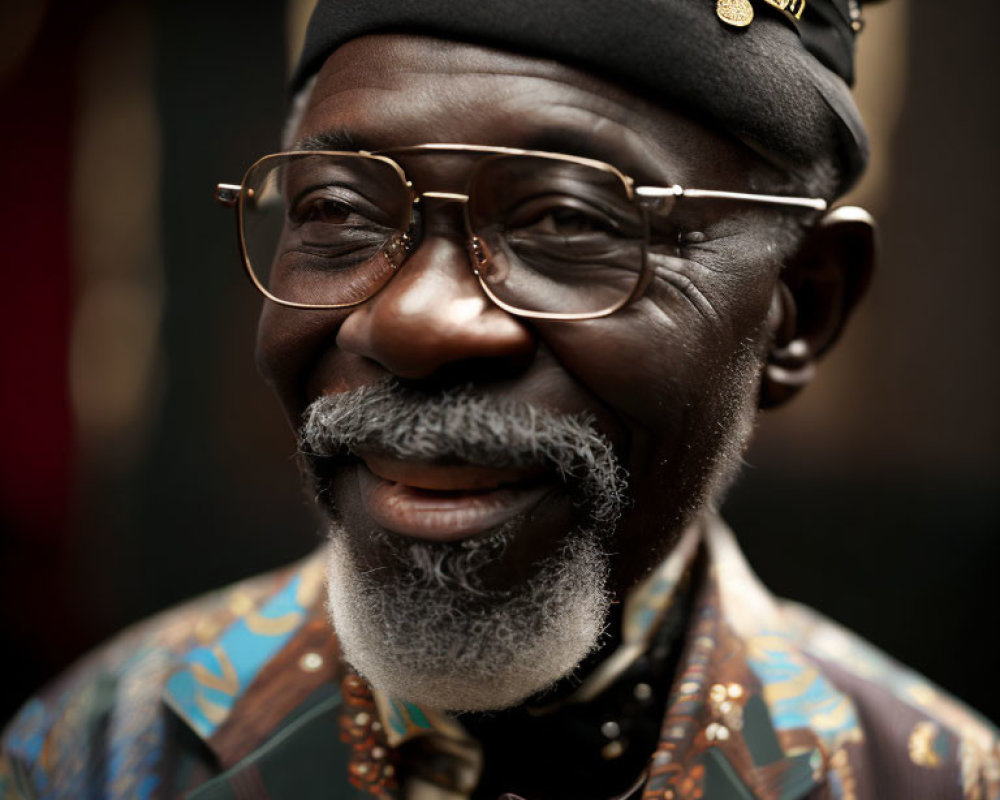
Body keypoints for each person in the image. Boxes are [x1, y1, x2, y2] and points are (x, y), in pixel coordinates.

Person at [2, 1, 997, 798]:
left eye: (568, 219)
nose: (415, 323)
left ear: (799, 307)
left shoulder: (931, 779)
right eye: (340, 210)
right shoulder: (90, 753)